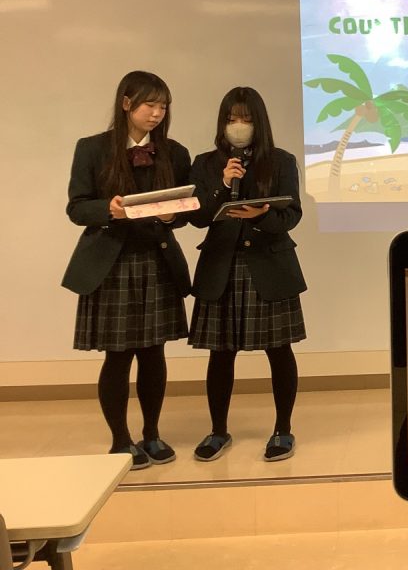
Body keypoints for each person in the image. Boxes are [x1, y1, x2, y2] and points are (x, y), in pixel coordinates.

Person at [62, 71, 191, 470]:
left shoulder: (175, 152)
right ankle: (120, 439)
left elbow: (187, 209)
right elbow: (77, 207)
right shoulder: (92, 148)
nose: (157, 113)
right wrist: (109, 209)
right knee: (117, 357)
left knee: (154, 353)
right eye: (150, 104)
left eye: (163, 106)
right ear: (126, 103)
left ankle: (152, 434)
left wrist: (173, 215)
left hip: (156, 259)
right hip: (112, 264)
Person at [187, 87, 307, 462]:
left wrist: (263, 215)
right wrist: (223, 185)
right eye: (232, 119)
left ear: (259, 122)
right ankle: (218, 431)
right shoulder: (206, 163)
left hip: (269, 265)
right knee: (220, 353)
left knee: (279, 350)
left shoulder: (281, 161)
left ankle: (283, 430)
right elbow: (196, 216)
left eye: (246, 119)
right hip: (222, 265)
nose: (238, 125)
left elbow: (292, 215)